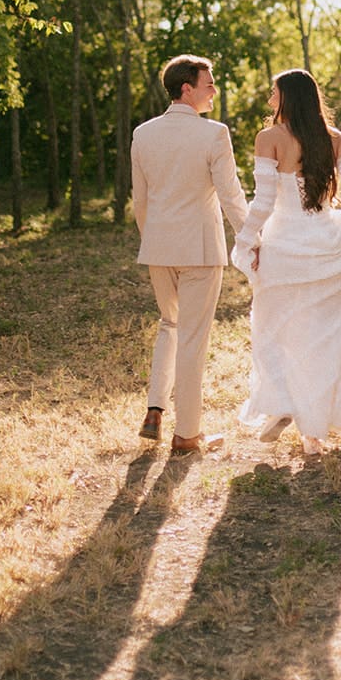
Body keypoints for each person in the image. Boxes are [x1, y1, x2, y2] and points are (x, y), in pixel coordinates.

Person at [231, 68, 341, 457]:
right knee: (324, 340)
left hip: (283, 246)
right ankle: (312, 433)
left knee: (274, 331)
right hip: (326, 246)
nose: (269, 100)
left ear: (288, 98)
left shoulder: (269, 139)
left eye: (274, 93)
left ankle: (281, 404)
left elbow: (263, 202)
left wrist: (245, 242)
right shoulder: (333, 139)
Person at [131, 54, 248, 455]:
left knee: (170, 325)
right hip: (199, 249)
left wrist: (155, 240)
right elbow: (231, 194)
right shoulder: (214, 134)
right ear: (187, 88)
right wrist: (251, 238)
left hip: (159, 249)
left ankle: (154, 411)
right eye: (209, 83)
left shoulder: (142, 133)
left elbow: (140, 201)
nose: (214, 89)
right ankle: (187, 434)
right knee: (193, 340)